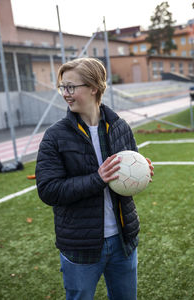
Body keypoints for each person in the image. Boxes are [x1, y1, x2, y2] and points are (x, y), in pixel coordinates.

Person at [36, 57, 154, 300]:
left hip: (123, 241)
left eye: (71, 87)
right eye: (63, 87)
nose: (65, 94)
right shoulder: (55, 136)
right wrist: (97, 179)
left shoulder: (119, 126)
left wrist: (141, 172)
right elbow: (48, 190)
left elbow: (127, 174)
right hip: (80, 246)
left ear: (93, 87)